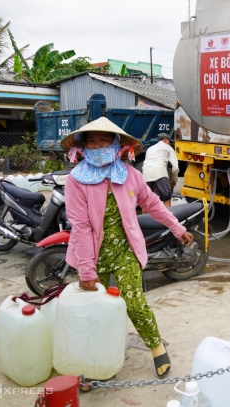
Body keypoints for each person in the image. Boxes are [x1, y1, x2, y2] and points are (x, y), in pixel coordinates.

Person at [61, 117, 194, 378]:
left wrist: (177, 228)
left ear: (117, 144)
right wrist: (87, 271)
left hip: (126, 251)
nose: (97, 146)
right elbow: (81, 226)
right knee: (91, 310)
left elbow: (153, 204)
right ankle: (89, 360)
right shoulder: (75, 180)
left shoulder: (130, 175)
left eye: (103, 140)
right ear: (83, 147)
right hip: (91, 255)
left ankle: (156, 348)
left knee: (133, 302)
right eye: (91, 141)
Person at [142, 133, 179, 208]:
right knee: (167, 199)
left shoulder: (150, 148)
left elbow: (147, 162)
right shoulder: (168, 147)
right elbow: (175, 167)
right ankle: (167, 219)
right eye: (169, 141)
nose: (169, 144)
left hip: (146, 174)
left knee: (145, 201)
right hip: (160, 173)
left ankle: (144, 219)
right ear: (165, 140)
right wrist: (174, 179)